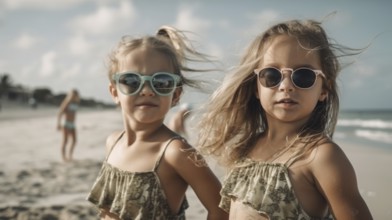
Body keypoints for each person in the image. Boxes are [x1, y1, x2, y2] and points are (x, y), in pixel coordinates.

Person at [197, 19, 373, 219]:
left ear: (324, 89)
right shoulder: (246, 146)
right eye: (271, 75)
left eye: (304, 76)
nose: (286, 86)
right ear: (256, 87)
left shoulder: (321, 156)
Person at [86, 26, 228, 220]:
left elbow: (220, 208)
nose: (146, 90)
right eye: (131, 80)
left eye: (161, 82)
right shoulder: (113, 142)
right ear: (114, 92)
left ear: (176, 95)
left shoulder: (175, 152)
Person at [57, 89, 80, 162]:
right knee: (65, 141)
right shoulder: (67, 102)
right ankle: (64, 157)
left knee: (74, 141)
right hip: (66, 123)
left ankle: (70, 156)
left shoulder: (76, 103)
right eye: (73, 95)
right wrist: (58, 123)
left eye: (75, 95)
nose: (74, 96)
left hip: (72, 124)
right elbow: (60, 113)